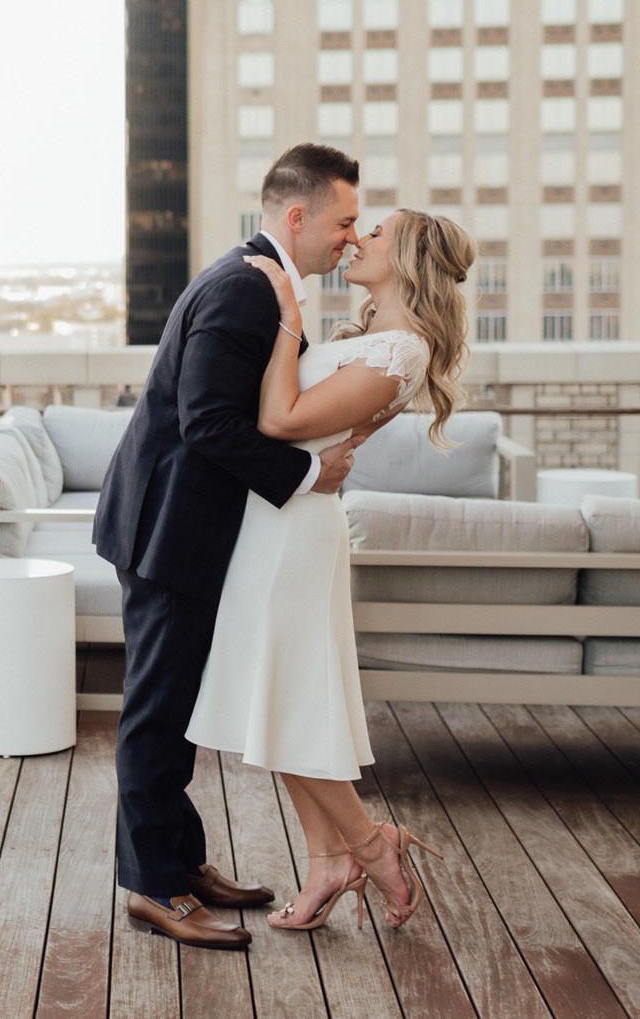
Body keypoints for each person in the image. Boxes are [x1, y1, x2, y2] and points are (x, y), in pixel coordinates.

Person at [91, 143, 366, 950]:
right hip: (168, 528)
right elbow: (209, 422)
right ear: (296, 215)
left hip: (180, 523)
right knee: (156, 713)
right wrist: (310, 472)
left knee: (175, 710)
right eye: (344, 221)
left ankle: (179, 860)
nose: (351, 238)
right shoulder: (247, 290)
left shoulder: (259, 283)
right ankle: (153, 886)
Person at [186, 204, 476, 932]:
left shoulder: (401, 351)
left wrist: (287, 313)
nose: (354, 238)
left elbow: (279, 420)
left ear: (406, 255)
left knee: (287, 702)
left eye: (372, 232)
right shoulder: (371, 336)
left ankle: (372, 844)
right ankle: (329, 860)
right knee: (279, 700)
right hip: (273, 521)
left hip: (296, 536)